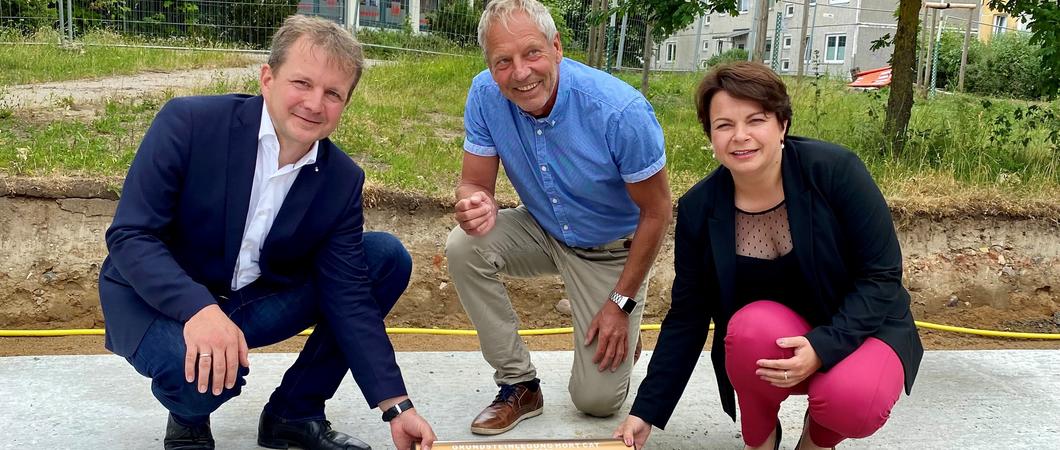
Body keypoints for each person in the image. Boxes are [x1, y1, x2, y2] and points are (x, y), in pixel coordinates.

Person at [98, 15, 436, 450]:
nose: (315, 104)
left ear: (345, 105)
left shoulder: (341, 179)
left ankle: (294, 413)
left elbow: (350, 296)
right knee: (203, 376)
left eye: (333, 93)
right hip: (155, 299)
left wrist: (397, 407)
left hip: (249, 301)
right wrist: (199, 310)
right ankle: (187, 417)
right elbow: (131, 235)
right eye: (302, 83)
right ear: (267, 78)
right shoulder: (188, 123)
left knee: (384, 257)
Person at [613, 61, 923, 450]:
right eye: (724, 125)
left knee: (853, 399)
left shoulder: (835, 171)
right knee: (746, 331)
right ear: (710, 136)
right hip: (773, 337)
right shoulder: (699, 208)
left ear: (782, 124)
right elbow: (689, 314)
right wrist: (647, 411)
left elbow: (881, 276)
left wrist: (824, 346)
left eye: (755, 120)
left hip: (862, 329)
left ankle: (817, 438)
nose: (740, 136)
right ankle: (761, 438)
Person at [444, 0, 672, 436]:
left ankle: (628, 327)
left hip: (610, 253)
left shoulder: (620, 112)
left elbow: (658, 212)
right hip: (545, 228)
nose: (521, 73)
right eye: (503, 62)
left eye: (532, 53)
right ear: (490, 68)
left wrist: (620, 304)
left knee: (596, 402)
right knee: (464, 244)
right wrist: (474, 202)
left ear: (556, 47)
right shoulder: (485, 95)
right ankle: (519, 385)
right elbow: (473, 185)